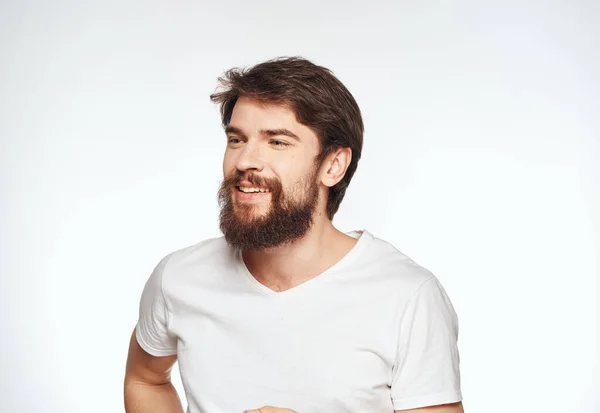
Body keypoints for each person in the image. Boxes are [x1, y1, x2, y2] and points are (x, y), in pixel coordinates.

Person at [124, 57, 464, 413]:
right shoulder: (178, 277)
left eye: (278, 142)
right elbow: (145, 379)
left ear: (333, 165)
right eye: (237, 139)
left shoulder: (408, 296)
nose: (244, 161)